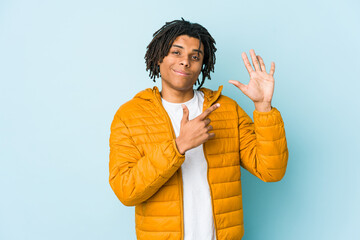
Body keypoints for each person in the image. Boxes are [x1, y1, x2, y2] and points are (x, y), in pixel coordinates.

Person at [109, 18, 288, 240]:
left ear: (202, 65)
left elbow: (271, 170)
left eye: (195, 57)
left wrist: (263, 107)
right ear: (158, 57)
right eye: (176, 52)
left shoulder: (226, 110)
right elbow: (126, 191)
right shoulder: (130, 115)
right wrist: (179, 146)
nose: (185, 62)